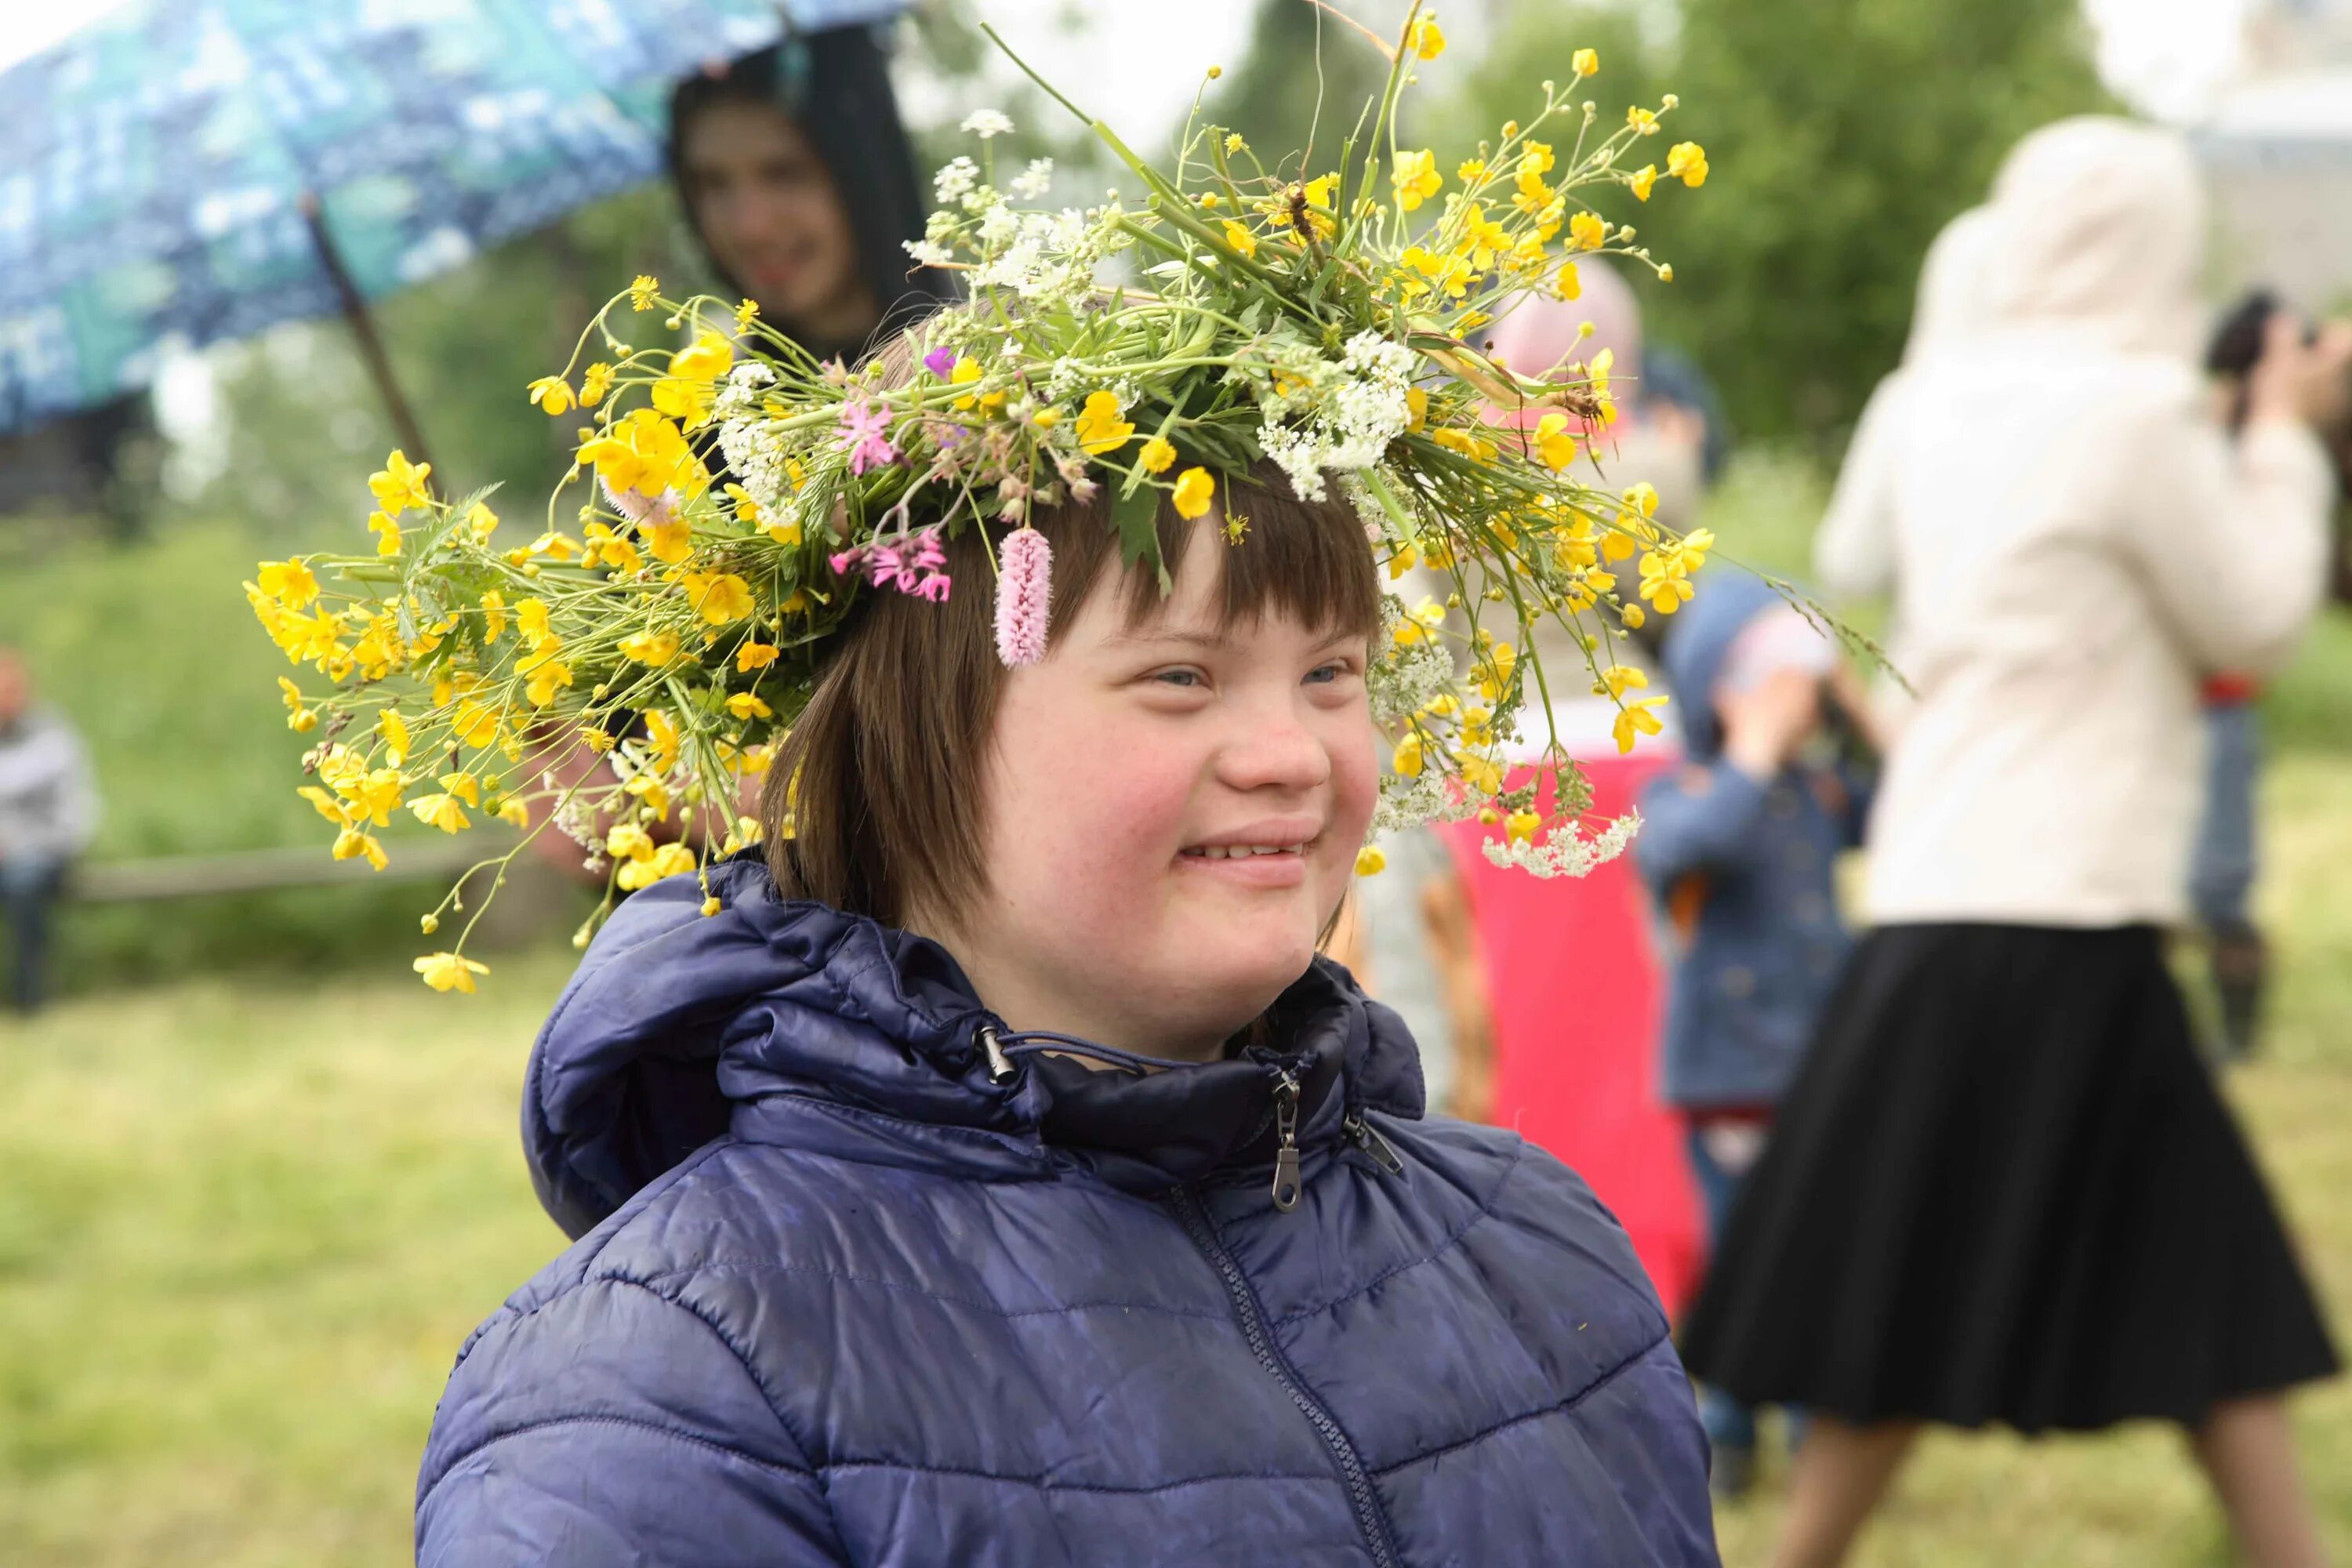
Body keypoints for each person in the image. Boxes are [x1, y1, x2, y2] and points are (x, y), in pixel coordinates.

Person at [413, 461, 1719, 1563]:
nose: (1296, 754)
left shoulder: (1536, 1241)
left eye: (1330, 672)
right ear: (915, 736)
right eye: (1183, 678)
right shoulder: (658, 1388)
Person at [1680, 118, 2347, 1568]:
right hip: (2069, 892)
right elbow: (2254, 616)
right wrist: (2285, 442)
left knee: (2105, 1260)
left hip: (1943, 880)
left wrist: (1947, 345)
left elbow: (1853, 558)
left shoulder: (1937, 401)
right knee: (2153, 1267)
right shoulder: (2135, 409)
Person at [1635, 577, 1876, 1498]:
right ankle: (1730, 1422)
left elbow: (1904, 801)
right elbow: (1682, 853)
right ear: (1716, 692)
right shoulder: (1690, 788)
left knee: (1824, 1240)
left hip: (1823, 1064)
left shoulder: (1817, 789)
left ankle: (1821, 1417)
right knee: (1743, 1250)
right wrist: (1752, 750)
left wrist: (1849, 700)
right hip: (1731, 1073)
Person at [668, 25, 954, 362]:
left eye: (784, 174)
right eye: (713, 184)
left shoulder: (999, 377)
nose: (750, 228)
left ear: (868, 171)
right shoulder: (706, 411)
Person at [0, 649, 97, 1014]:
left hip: (44, 854)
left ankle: (29, 995)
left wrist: (17, 846)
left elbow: (75, 814)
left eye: (9, 690)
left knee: (23, 884)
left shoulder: (53, 735)